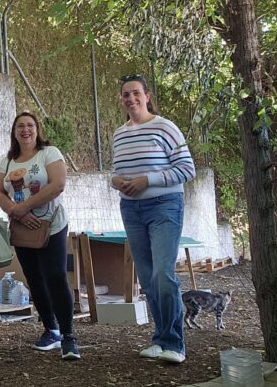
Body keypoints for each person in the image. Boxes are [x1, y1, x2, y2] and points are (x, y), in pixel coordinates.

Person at [111, 74, 196, 364]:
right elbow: (117, 171)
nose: (131, 98)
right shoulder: (119, 134)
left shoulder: (165, 127)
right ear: (121, 100)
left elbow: (187, 169)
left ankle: (175, 343)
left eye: (136, 93)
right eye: (126, 94)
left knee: (163, 274)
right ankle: (160, 339)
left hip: (164, 206)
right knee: (147, 278)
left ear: (147, 96)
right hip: (131, 209)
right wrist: (116, 181)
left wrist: (148, 180)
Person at [0, 111, 81, 360]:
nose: (26, 130)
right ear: (14, 132)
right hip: (23, 227)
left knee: (56, 276)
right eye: (20, 126)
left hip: (52, 224)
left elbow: (58, 184)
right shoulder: (7, 161)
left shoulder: (49, 153)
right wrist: (16, 212)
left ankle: (68, 336)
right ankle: (51, 330)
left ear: (37, 129)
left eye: (30, 125)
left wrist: (24, 207)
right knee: (34, 278)